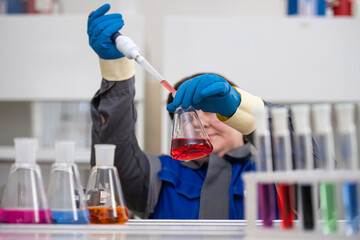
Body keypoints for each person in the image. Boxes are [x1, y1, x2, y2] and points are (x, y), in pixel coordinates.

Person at [87, 4, 313, 219]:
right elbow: (112, 159)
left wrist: (247, 108)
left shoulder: (274, 174)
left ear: (234, 114)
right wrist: (116, 74)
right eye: (189, 117)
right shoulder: (157, 176)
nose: (201, 123)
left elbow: (312, 172)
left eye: (212, 111)